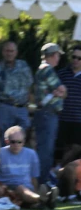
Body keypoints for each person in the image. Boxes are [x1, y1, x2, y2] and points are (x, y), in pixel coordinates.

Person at [0, 126, 57, 209]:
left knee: (28, 189)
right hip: (7, 187)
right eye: (13, 142)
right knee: (20, 188)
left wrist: (34, 190)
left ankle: (38, 201)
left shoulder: (31, 154)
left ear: (24, 142)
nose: (16, 145)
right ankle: (44, 199)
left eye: (19, 142)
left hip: (27, 187)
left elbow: (33, 177)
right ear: (7, 141)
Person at [33, 43, 67, 185]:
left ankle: (42, 180)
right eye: (58, 55)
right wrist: (60, 91)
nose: (59, 58)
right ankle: (42, 182)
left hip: (45, 113)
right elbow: (62, 90)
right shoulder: (48, 70)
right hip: (48, 114)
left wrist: (59, 92)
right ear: (53, 55)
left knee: (45, 148)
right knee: (46, 150)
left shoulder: (43, 69)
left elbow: (61, 92)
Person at [0, 41, 34, 138]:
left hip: (22, 108)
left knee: (21, 137)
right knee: (5, 138)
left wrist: (31, 104)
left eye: (12, 51)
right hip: (5, 107)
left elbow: (30, 85)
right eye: (7, 51)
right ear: (3, 52)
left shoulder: (23, 65)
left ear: (16, 52)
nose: (9, 53)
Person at [56, 45, 81, 160]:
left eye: (79, 58)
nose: (75, 60)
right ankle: (57, 172)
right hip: (62, 117)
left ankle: (60, 169)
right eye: (74, 57)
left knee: (76, 148)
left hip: (78, 120)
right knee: (60, 148)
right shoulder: (62, 73)